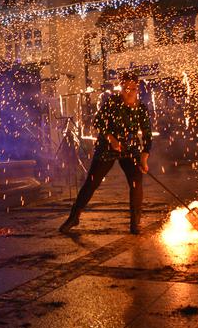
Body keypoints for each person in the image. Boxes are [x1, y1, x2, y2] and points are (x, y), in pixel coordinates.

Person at [59, 71, 152, 235]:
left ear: (137, 88)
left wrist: (145, 155)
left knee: (136, 183)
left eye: (132, 89)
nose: (128, 93)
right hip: (107, 149)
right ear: (121, 88)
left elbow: (147, 135)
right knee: (92, 182)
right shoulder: (112, 103)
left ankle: (135, 223)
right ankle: (74, 217)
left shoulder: (141, 109)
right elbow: (98, 122)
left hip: (130, 150)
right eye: (125, 89)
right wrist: (112, 139)